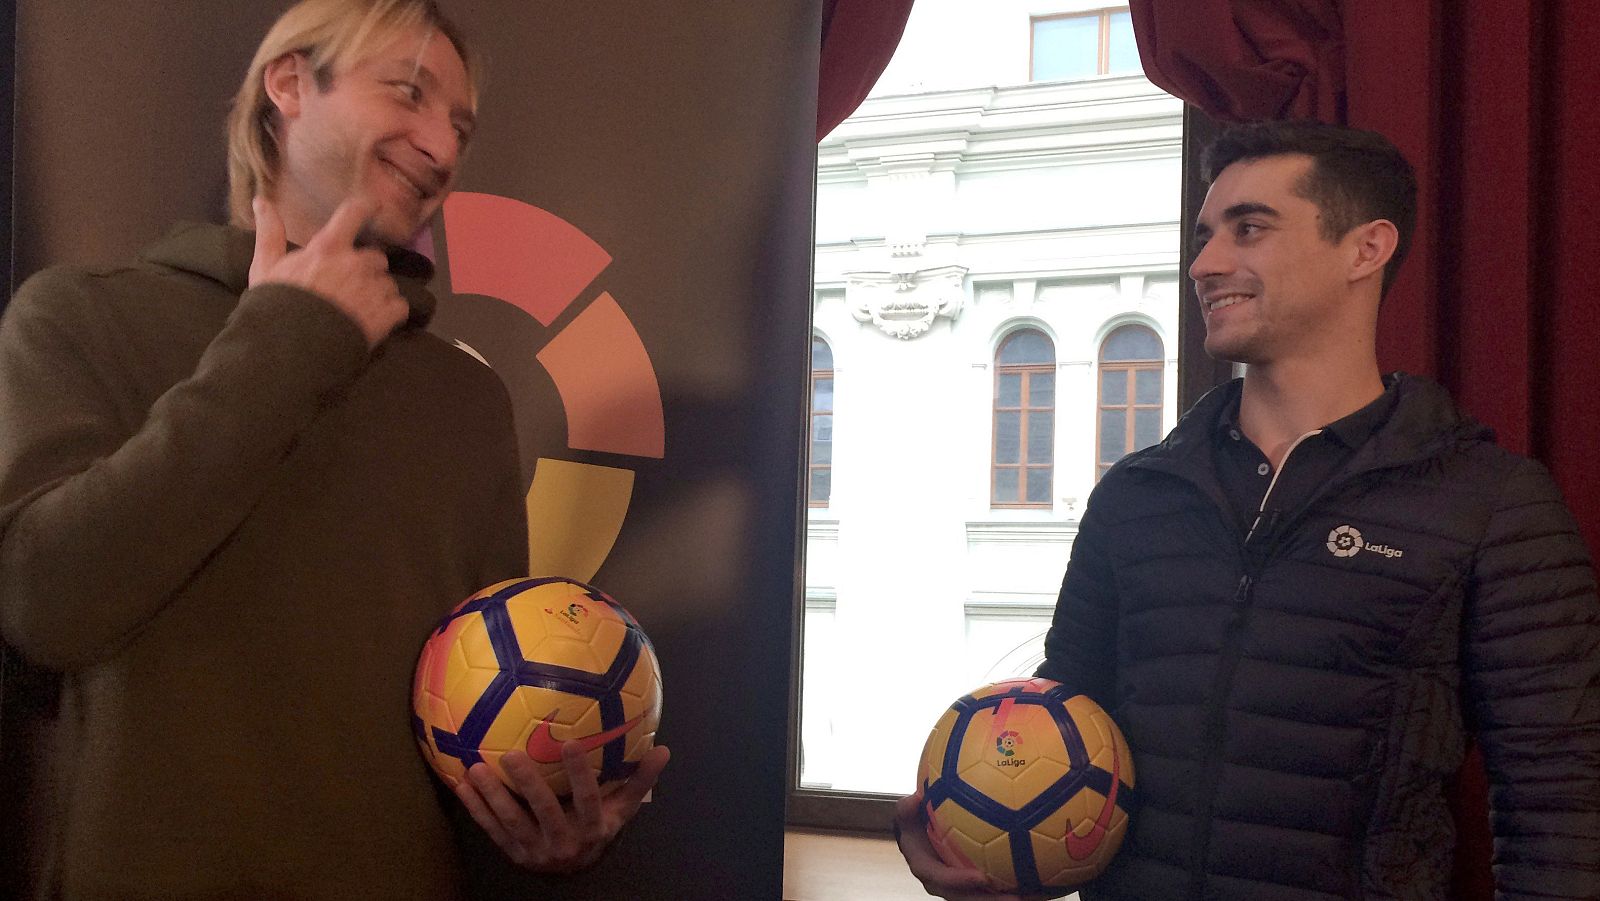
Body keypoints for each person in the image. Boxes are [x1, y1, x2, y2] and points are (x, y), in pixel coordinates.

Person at [0, 1, 668, 898]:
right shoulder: (80, 317)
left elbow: (476, 719)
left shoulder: (464, 400)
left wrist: (545, 828)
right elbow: (49, 601)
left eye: (460, 125)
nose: (439, 147)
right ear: (288, 85)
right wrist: (288, 339)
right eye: (407, 92)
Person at [894, 121, 1600, 900]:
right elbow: (1068, 731)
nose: (1204, 263)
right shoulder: (1136, 496)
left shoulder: (1492, 505)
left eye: (1250, 228)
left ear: (1366, 249)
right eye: (1203, 236)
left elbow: (1562, 808)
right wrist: (989, 848)